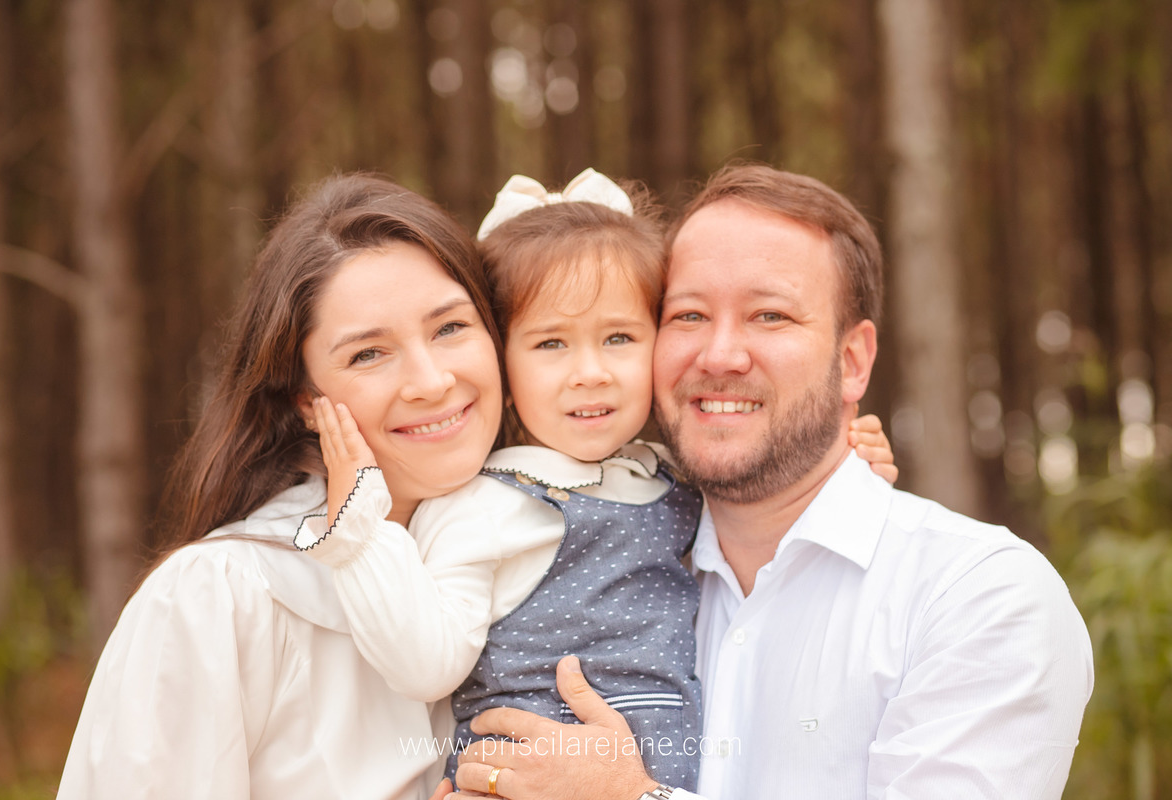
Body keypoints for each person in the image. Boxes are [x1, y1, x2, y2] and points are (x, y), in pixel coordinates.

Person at [450, 163, 1094, 800]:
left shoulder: (979, 595)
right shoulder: (604, 559)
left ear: (852, 362)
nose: (720, 355)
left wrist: (630, 798)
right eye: (689, 316)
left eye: (770, 316)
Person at [294, 168, 899, 791]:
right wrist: (359, 536)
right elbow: (426, 666)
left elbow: (774, 519)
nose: (591, 373)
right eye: (551, 344)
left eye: (618, 337)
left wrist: (844, 467)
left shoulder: (672, 482)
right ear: (503, 364)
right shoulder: (487, 504)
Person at [57, 173, 506, 799]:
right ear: (305, 402)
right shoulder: (217, 598)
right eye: (368, 354)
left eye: (450, 328)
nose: (432, 382)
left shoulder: (544, 555)